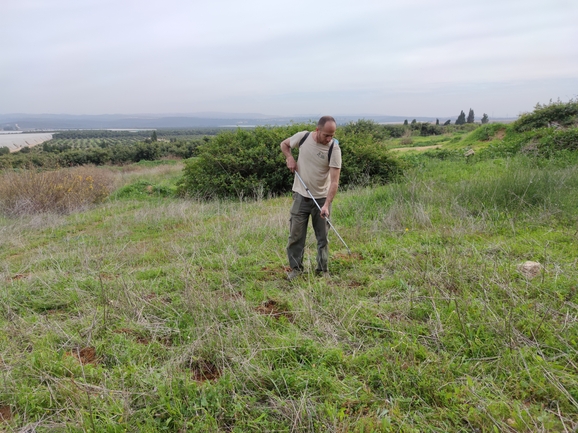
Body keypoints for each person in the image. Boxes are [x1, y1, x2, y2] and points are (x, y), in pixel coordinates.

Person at [280, 115, 342, 280]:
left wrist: (327, 205)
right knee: (295, 236)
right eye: (326, 135)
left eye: (332, 135)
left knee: (322, 238)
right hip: (300, 196)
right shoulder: (303, 137)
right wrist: (290, 158)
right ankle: (296, 269)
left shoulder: (333, 149)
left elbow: (334, 182)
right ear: (317, 130)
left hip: (321, 199)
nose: (329, 139)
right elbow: (284, 145)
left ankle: (322, 271)